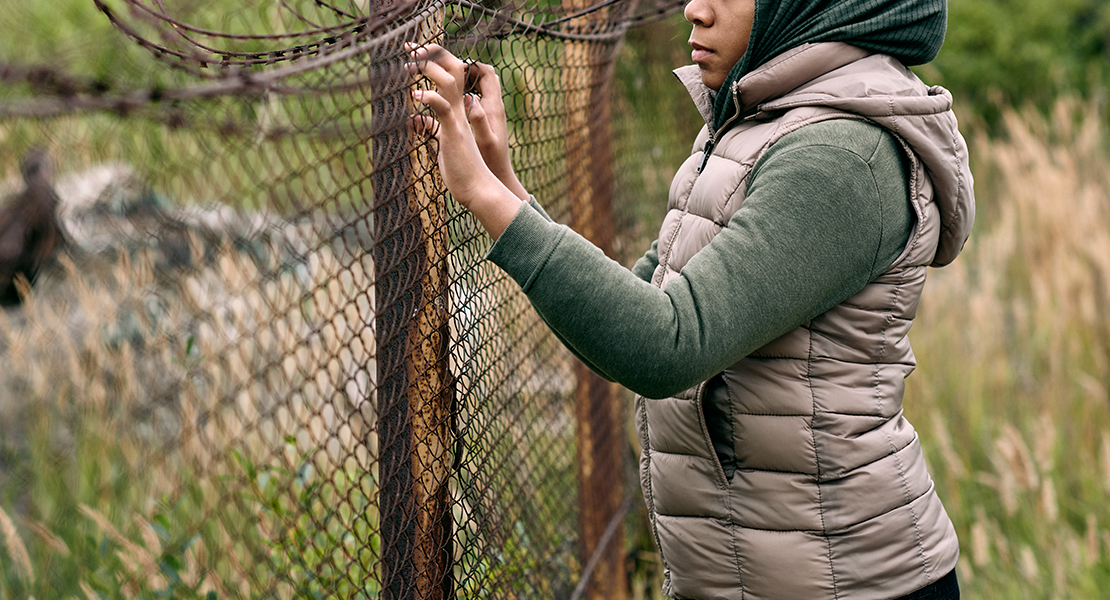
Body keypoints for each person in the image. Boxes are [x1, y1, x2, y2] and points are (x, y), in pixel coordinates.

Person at [407, 0, 973, 596]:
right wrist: (500, 178)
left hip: (844, 581)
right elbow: (638, 311)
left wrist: (478, 195)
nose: (693, 9)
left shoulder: (840, 156)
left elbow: (665, 344)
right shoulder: (755, 129)